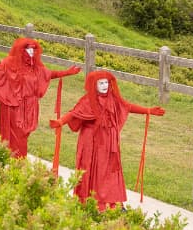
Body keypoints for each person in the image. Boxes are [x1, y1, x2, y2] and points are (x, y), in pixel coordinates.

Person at [49, 71, 165, 211]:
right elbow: (74, 113)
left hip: (109, 142)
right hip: (91, 142)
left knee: (110, 170)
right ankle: (92, 203)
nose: (105, 86)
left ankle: (113, 204)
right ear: (94, 85)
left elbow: (127, 106)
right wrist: (60, 121)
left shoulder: (113, 99)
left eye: (106, 82)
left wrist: (147, 110)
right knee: (92, 169)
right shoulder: (88, 100)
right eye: (101, 83)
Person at [0, 38, 80, 158]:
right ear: (21, 50)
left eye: (34, 49)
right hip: (14, 107)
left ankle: (16, 161)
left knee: (24, 136)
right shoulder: (9, 63)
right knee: (17, 136)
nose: (32, 52)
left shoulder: (35, 66)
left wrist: (67, 72)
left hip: (30, 107)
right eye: (28, 49)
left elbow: (49, 74)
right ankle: (18, 162)